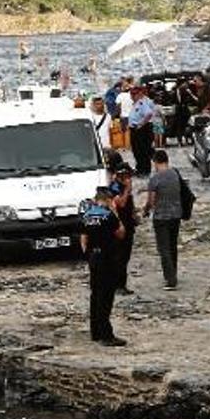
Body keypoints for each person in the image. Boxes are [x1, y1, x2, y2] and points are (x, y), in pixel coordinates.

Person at [80, 186, 127, 346]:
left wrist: (88, 255)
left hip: (93, 257)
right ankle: (106, 335)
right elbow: (121, 233)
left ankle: (95, 332)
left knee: (95, 294)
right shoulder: (108, 215)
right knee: (106, 297)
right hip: (107, 257)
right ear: (107, 200)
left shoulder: (86, 215)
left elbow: (84, 238)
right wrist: (115, 212)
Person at [143, 150, 182, 290]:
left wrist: (146, 210)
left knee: (164, 248)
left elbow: (151, 200)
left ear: (155, 161)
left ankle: (170, 279)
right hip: (176, 215)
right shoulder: (175, 174)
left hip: (161, 217)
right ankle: (174, 272)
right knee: (172, 246)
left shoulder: (155, 179)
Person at [110, 163, 137, 295]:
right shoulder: (114, 187)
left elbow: (129, 204)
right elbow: (121, 203)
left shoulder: (124, 186)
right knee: (120, 256)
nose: (129, 179)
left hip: (128, 225)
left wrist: (134, 214)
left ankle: (122, 283)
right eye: (127, 176)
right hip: (119, 226)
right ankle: (118, 284)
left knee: (125, 256)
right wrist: (127, 189)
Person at [128, 86, 155, 176]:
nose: (132, 96)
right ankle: (140, 168)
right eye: (131, 94)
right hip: (135, 129)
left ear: (139, 94)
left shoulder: (142, 103)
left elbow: (149, 114)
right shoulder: (135, 103)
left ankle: (145, 170)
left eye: (134, 94)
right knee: (136, 151)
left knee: (142, 151)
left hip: (141, 130)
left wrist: (140, 124)